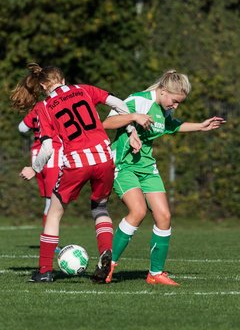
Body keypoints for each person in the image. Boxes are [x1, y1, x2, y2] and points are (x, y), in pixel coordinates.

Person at [19, 63, 153, 283]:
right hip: (104, 157)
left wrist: (34, 168)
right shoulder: (83, 89)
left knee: (54, 212)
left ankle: (44, 271)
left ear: (44, 85)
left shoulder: (44, 106)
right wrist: (131, 130)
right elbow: (119, 104)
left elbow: (47, 148)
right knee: (100, 207)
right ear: (63, 79)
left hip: (77, 161)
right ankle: (105, 253)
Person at [102, 69, 226, 286]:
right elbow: (106, 123)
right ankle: (107, 266)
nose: (175, 106)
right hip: (124, 166)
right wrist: (133, 117)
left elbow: (171, 126)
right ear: (162, 91)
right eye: (175, 101)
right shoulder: (138, 101)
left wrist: (201, 126)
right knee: (138, 211)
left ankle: (155, 274)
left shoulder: (163, 109)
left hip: (148, 167)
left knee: (164, 216)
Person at [10, 84, 64, 229]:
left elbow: (22, 128)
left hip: (36, 156)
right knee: (53, 202)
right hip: (53, 154)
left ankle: (48, 239)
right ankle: (49, 239)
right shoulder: (54, 106)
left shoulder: (36, 109)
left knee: (48, 200)